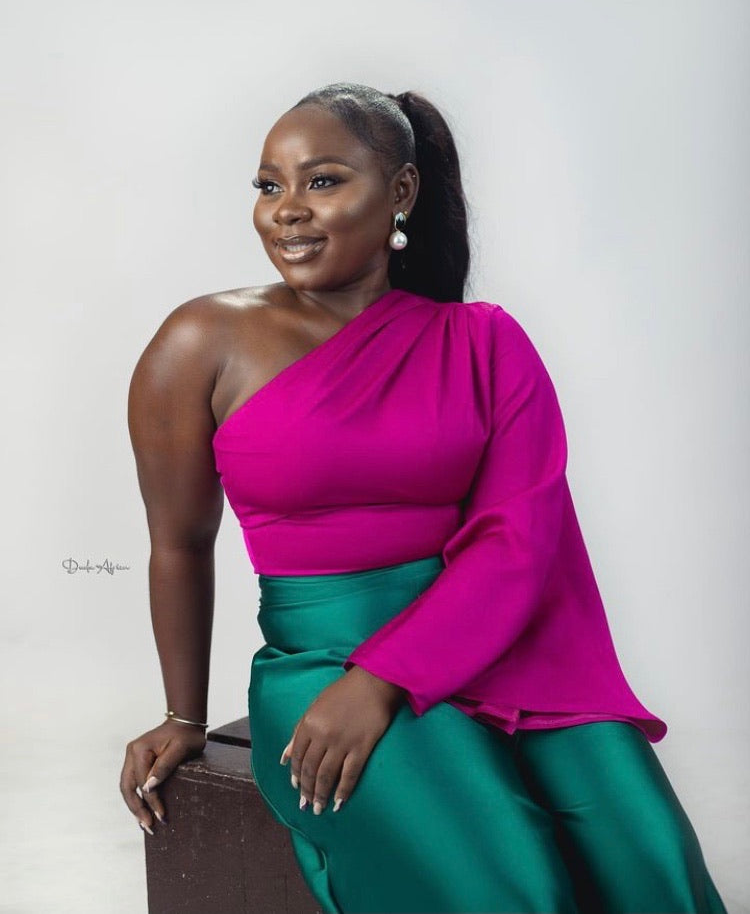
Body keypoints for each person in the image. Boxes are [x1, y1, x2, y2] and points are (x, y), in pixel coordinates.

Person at [120, 82, 728, 914]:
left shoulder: (485, 343)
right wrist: (180, 714)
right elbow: (179, 543)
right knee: (518, 891)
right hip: (322, 661)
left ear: (401, 192)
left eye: (322, 181)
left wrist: (388, 677)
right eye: (269, 186)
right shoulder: (200, 342)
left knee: (654, 869)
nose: (287, 211)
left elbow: (519, 541)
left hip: (502, 645)